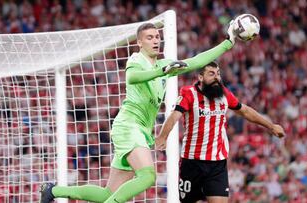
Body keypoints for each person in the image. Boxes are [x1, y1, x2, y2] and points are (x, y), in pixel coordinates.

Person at [40, 20, 241, 203]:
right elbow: (133, 78)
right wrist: (162, 72)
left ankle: (54, 191)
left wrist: (228, 43)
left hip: (140, 131)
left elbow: (197, 61)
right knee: (148, 176)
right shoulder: (137, 59)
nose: (156, 41)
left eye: (157, 37)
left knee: (108, 194)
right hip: (128, 126)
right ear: (139, 42)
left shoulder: (164, 64)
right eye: (150, 37)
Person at [155, 61, 286, 203]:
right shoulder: (189, 94)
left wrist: (271, 126)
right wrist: (162, 136)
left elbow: (245, 111)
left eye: (218, 74)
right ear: (200, 77)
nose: (217, 77)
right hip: (192, 162)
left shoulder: (223, 94)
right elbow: (174, 116)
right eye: (211, 74)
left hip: (217, 164)